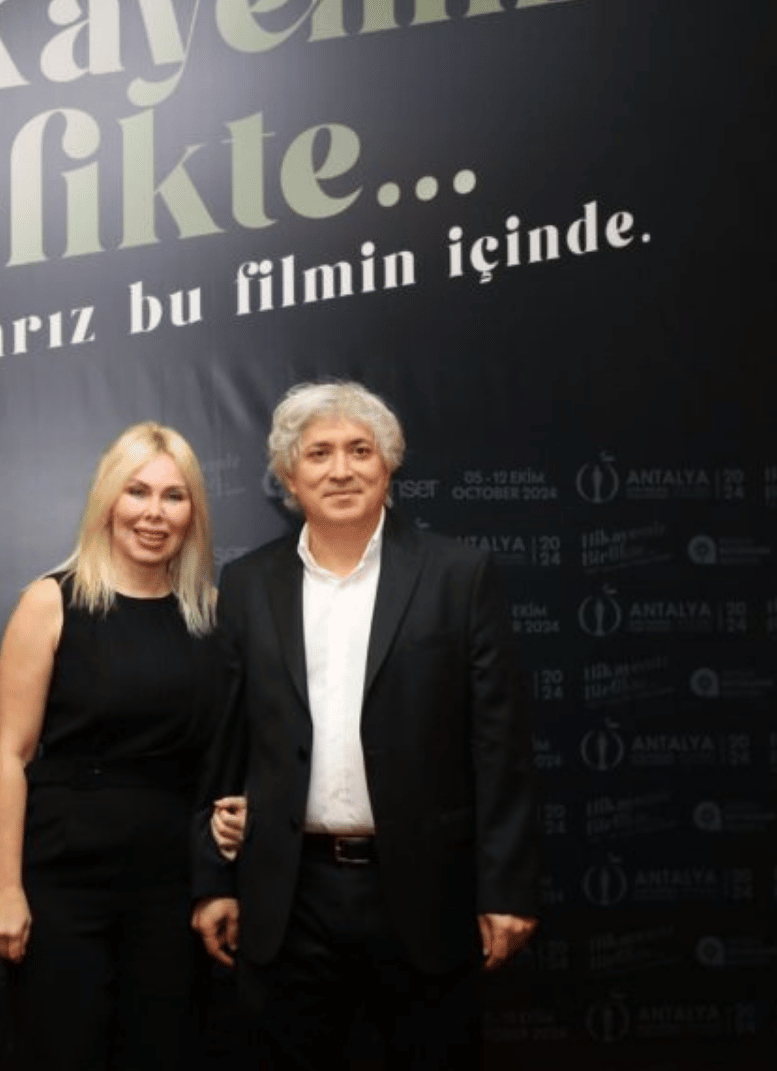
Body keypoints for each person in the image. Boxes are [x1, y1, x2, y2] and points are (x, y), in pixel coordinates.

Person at [190, 380, 542, 1070]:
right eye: (318, 453)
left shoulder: (459, 575)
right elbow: (223, 741)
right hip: (288, 896)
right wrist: (214, 879)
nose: (341, 470)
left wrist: (507, 889)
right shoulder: (249, 584)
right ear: (289, 475)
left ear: (389, 465)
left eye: (360, 450)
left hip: (424, 891)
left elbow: (501, 746)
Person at [0, 422, 221, 1070]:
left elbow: (224, 757)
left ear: (193, 512)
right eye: (137, 491)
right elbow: (12, 755)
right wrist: (6, 888)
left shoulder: (211, 613)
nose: (154, 513)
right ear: (108, 500)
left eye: (174, 496)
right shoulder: (50, 602)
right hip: (65, 883)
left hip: (173, 887)